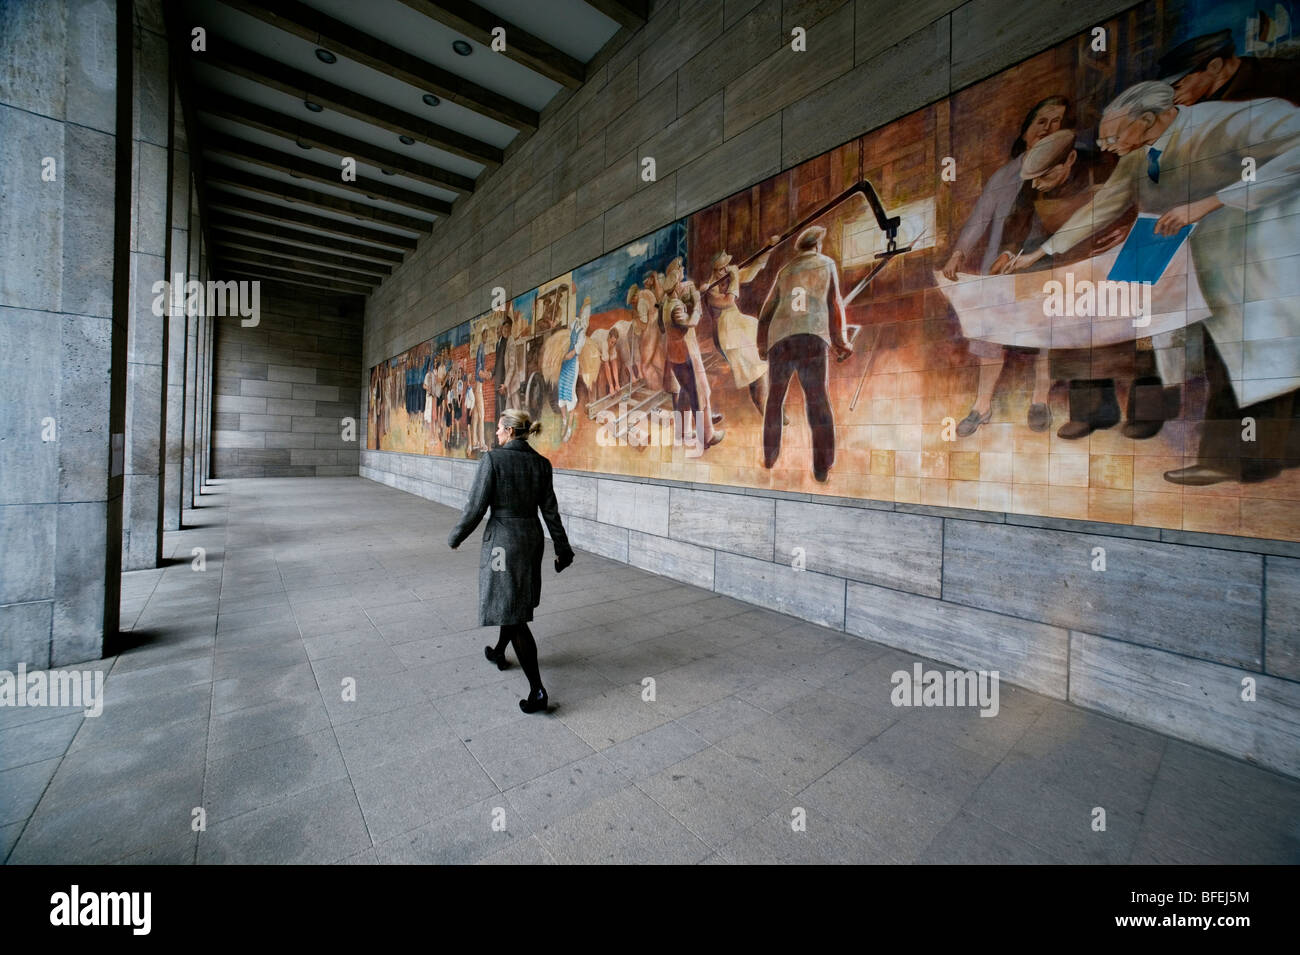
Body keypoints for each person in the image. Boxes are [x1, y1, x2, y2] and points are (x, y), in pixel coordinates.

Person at [1010, 81, 1300, 485]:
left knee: (1251, 357)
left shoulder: (1237, 120)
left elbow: (1295, 155)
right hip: (1184, 259)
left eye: (1114, 135)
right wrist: (1043, 252)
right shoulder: (1138, 156)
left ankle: (1229, 460)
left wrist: (1212, 201)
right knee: (1202, 347)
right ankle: (1280, 453)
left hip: (1256, 252)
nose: (1107, 145)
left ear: (1148, 119)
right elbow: (1105, 206)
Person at [447, 408, 575, 714]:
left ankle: (538, 690)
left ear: (509, 430)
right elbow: (551, 512)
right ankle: (499, 652)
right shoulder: (541, 464)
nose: (496, 434)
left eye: (499, 430)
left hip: (502, 545)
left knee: (513, 613)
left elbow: (475, 506)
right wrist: (562, 547)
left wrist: (456, 536)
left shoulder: (493, 459)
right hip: (531, 539)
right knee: (512, 601)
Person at [757, 225, 852, 482]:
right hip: (811, 337)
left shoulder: (785, 270)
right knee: (817, 400)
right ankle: (822, 466)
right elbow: (834, 304)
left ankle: (769, 455)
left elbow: (766, 313)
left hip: (781, 341)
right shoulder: (826, 264)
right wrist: (840, 341)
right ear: (817, 245)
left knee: (774, 400)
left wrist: (761, 345)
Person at [703, 247, 775, 417]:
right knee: (757, 370)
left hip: (738, 329)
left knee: (756, 370)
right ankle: (767, 409)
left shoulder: (727, 278)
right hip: (727, 335)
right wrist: (734, 277)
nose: (727, 269)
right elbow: (728, 301)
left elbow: (752, 271)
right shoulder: (710, 291)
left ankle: (768, 408)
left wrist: (768, 248)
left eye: (727, 266)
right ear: (716, 270)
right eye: (723, 268)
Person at [663, 271, 724, 448]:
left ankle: (684, 431)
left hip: (676, 356)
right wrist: (696, 302)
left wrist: (692, 295)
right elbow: (692, 321)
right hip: (685, 354)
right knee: (699, 393)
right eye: (680, 279)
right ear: (675, 286)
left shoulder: (667, 303)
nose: (683, 281)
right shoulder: (675, 307)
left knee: (686, 392)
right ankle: (706, 437)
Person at [557, 290, 590, 442]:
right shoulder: (575, 323)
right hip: (565, 365)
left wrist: (561, 358)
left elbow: (573, 353)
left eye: (585, 313)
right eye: (582, 311)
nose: (582, 314)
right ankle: (564, 421)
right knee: (561, 392)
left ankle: (569, 428)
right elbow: (566, 333)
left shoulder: (582, 333)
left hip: (571, 364)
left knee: (569, 394)